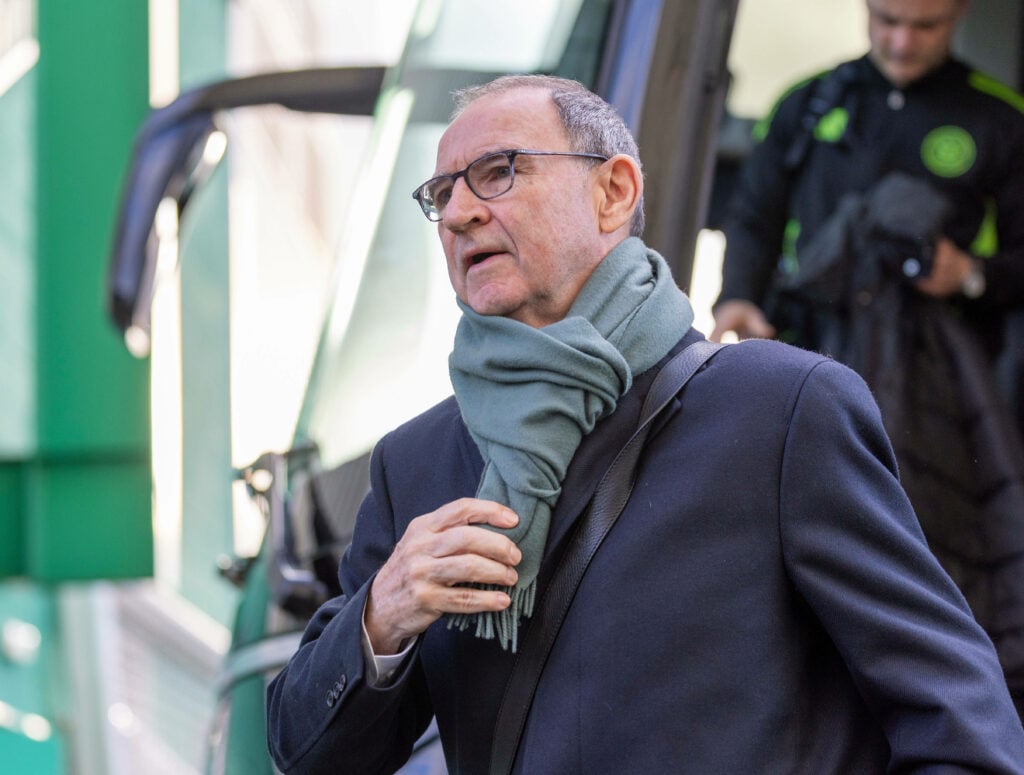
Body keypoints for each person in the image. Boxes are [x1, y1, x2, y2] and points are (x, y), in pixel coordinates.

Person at [266, 74, 1024, 773]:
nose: (460, 210)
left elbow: (958, 718)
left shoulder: (784, 410)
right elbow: (307, 754)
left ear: (613, 191)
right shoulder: (419, 462)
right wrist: (382, 614)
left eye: (498, 170)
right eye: (441, 192)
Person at [712, 0, 1024, 714]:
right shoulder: (808, 104)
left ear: (960, 16)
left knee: (923, 550)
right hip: (806, 360)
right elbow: (753, 217)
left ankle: (929, 712)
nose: (902, 40)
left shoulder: (999, 119)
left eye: (925, 25)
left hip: (940, 386)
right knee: (784, 529)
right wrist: (737, 299)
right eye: (887, 19)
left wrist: (971, 275)